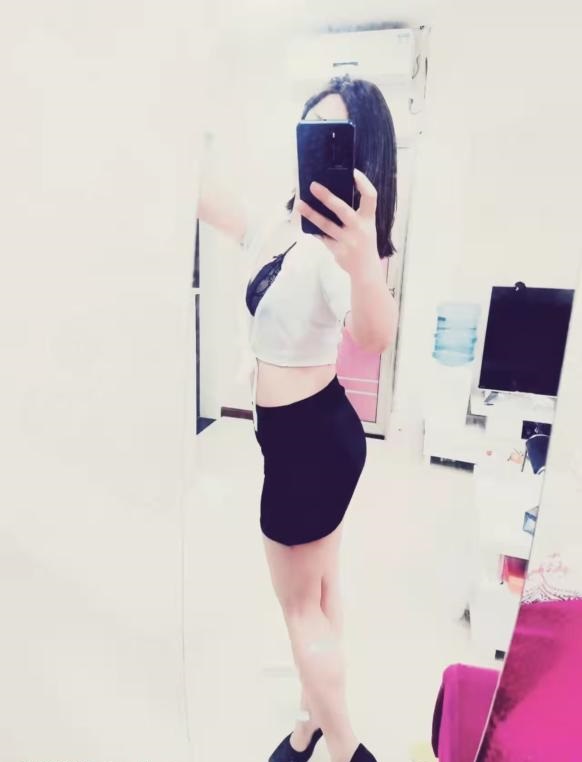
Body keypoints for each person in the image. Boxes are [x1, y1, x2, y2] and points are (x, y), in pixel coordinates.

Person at [197, 75, 399, 762]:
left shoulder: (338, 253)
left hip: (309, 445)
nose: (314, 152)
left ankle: (345, 747)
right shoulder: (283, 227)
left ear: (360, 157)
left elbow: (374, 334)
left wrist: (363, 259)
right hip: (310, 437)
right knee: (322, 589)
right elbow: (216, 205)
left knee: (298, 609)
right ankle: (313, 722)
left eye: (332, 139)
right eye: (309, 132)